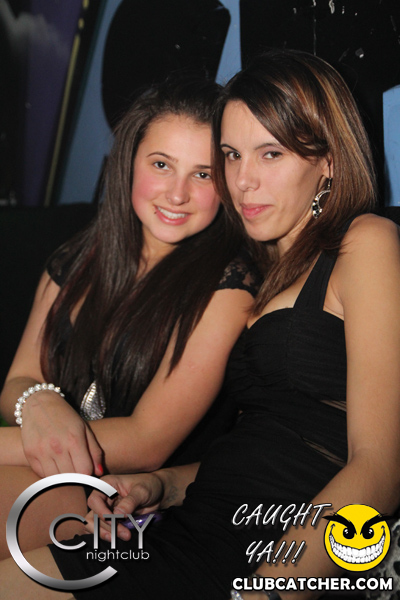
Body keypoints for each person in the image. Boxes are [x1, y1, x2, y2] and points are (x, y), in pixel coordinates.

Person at [1, 48, 400, 600]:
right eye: (232, 156)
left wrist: (275, 586)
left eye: (270, 153)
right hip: (187, 527)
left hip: (258, 557)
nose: (244, 181)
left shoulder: (365, 242)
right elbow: (255, 449)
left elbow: (381, 468)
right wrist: (160, 486)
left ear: (329, 160)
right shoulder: (271, 274)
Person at [0, 76, 257, 558]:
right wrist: (39, 403)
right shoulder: (78, 257)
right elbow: (18, 378)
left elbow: (146, 442)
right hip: (51, 469)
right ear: (129, 161)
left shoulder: (230, 287)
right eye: (162, 164)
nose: (177, 194)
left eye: (203, 174)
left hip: (133, 502)